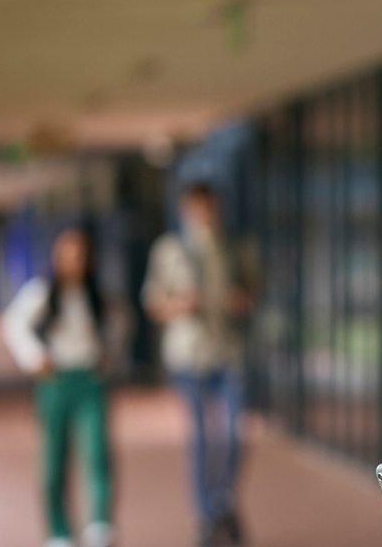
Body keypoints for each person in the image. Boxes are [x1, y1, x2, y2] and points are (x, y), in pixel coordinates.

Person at [141, 183, 257, 547]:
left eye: (211, 206)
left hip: (230, 351)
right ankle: (207, 515)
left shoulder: (239, 247)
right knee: (203, 437)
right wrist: (182, 305)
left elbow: (254, 293)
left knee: (234, 432)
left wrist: (241, 301)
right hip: (189, 354)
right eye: (198, 207)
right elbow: (154, 304)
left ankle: (223, 502)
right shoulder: (170, 250)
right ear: (187, 210)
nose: (205, 214)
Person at [1, 228, 114, 547]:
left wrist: (110, 356)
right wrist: (35, 357)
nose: (75, 262)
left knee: (97, 451)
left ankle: (99, 523)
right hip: (56, 382)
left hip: (90, 379)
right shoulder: (42, 292)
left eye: (80, 254)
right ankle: (60, 531)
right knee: (53, 460)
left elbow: (121, 324)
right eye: (68, 254)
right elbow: (14, 323)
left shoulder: (98, 295)